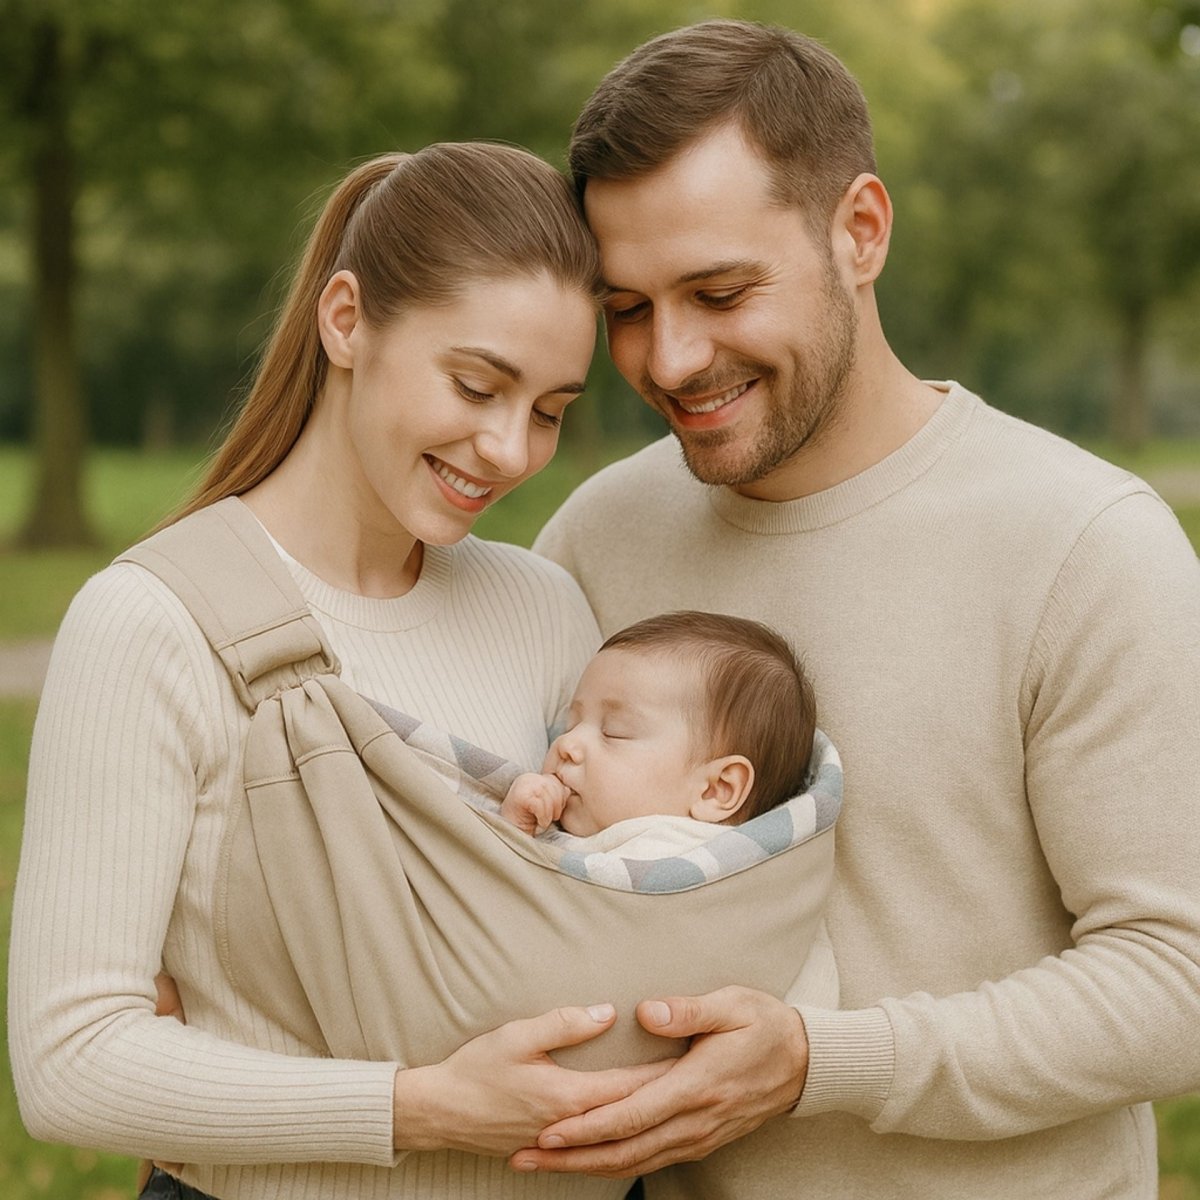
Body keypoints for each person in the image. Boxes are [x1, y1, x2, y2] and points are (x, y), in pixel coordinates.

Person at [514, 18, 1200, 1198]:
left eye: (720, 291)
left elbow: (1176, 983)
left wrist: (820, 1062)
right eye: (627, 308)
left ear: (861, 232)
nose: (671, 359)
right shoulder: (595, 539)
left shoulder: (1087, 544)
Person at [9, 142, 677, 1200]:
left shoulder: (542, 607)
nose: (509, 450)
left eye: (550, 410)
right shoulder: (154, 623)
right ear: (347, 321)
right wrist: (421, 1108)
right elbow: (71, 1064)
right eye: (476, 384)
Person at [500, 610, 816, 850]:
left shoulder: (681, 858)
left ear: (716, 789)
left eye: (613, 732)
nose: (567, 742)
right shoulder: (573, 833)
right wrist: (515, 826)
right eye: (571, 724)